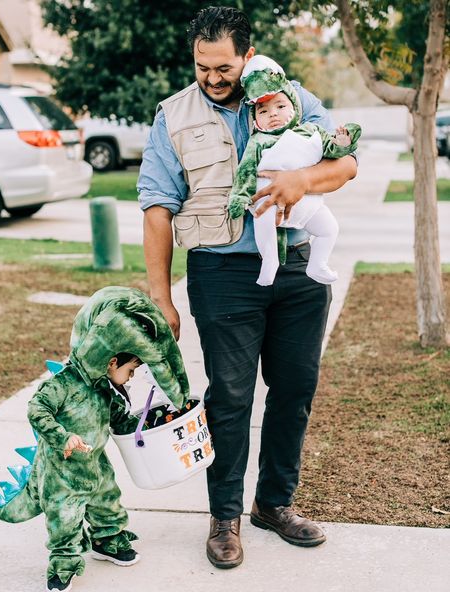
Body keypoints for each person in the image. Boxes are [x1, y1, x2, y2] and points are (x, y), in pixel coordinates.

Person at [138, 6, 357, 569]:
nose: (212, 79)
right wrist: (161, 297)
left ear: (248, 56)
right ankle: (225, 517)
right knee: (230, 399)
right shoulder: (173, 117)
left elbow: (348, 162)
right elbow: (157, 210)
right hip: (221, 275)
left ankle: (274, 505)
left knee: (294, 392)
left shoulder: (293, 97)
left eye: (224, 68)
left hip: (299, 271)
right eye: (202, 67)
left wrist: (301, 180)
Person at [0, 286, 189, 591]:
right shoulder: (64, 383)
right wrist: (63, 436)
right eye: (131, 369)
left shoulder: (103, 387)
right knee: (65, 519)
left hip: (95, 464)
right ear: (112, 362)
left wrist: (148, 424)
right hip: (62, 473)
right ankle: (63, 564)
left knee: (107, 504)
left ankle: (107, 541)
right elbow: (36, 409)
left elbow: (119, 418)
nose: (132, 376)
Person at [229, 54, 361, 286]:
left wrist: (342, 142)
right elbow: (245, 172)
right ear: (255, 120)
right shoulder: (258, 142)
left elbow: (333, 151)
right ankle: (270, 261)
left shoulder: (311, 130)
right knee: (264, 225)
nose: (273, 114)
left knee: (329, 229)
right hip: (267, 203)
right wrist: (239, 198)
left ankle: (318, 263)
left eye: (281, 106)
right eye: (263, 111)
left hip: (308, 206)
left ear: (295, 106)